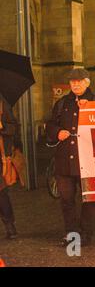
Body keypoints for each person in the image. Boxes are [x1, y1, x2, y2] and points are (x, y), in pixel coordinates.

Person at [46, 68, 95, 246]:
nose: (75, 84)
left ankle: (85, 233)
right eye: (72, 82)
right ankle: (72, 234)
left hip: (88, 160)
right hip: (65, 160)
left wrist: (91, 110)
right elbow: (50, 125)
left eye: (79, 81)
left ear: (87, 82)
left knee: (89, 199)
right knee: (66, 200)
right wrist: (57, 132)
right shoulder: (62, 103)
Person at [0, 96, 19, 239]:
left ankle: (9, 224)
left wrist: (2, 126)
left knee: (1, 193)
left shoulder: (1, 102)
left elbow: (13, 126)